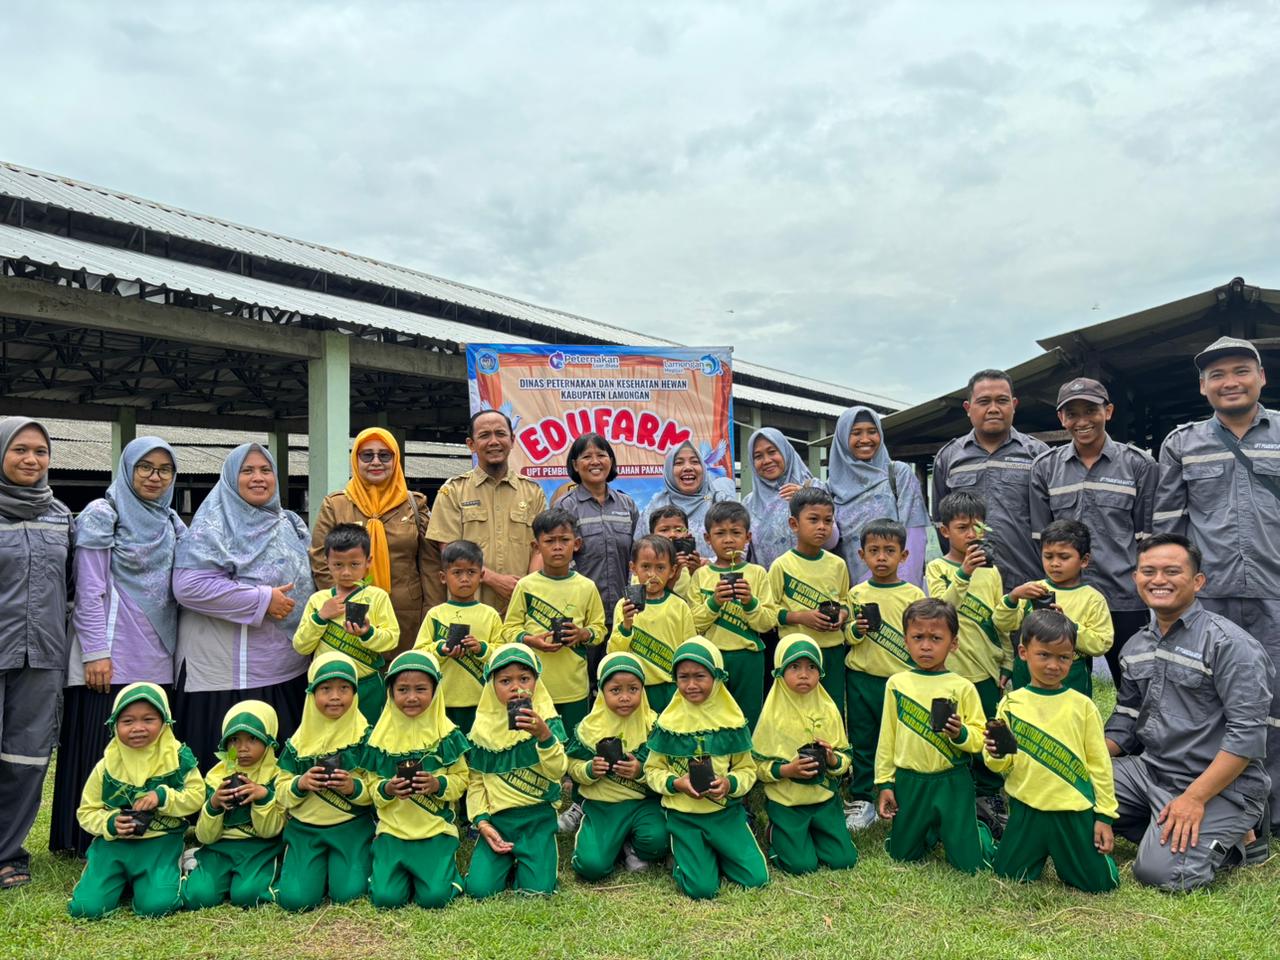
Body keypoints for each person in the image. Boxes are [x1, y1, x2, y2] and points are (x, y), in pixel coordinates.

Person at [1154, 336, 1280, 829]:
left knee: (1273, 700)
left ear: (1261, 377)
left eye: (1241, 371)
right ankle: (1223, 805)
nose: (1231, 382)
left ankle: (1269, 810)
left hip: (1275, 593)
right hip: (1209, 598)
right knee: (1207, 703)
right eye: (1218, 375)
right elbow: (1168, 527)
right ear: (1203, 387)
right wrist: (1171, 597)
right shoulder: (1182, 443)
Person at [1105, 534, 1275, 892]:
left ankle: (1241, 833)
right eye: (1148, 571)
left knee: (1162, 874)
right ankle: (1164, 827)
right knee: (1069, 792)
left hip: (1217, 785)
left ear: (1198, 581)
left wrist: (1195, 798)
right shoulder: (1135, 646)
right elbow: (1126, 720)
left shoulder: (1230, 645)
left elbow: (1247, 736)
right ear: (1135, 578)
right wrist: (1084, 762)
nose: (1159, 580)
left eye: (1172, 571)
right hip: (1151, 772)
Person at [51, 437, 185, 859]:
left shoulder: (171, 522)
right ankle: (83, 837)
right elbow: (89, 590)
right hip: (109, 655)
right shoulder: (101, 514)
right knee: (99, 745)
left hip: (158, 652)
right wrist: (94, 652)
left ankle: (150, 831)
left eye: (164, 469)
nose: (155, 477)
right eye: (145, 467)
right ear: (127, 469)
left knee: (149, 744)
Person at [172, 443, 313, 767]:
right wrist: (263, 599)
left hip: (285, 671)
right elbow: (189, 586)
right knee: (233, 763)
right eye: (247, 471)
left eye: (265, 470)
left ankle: (269, 816)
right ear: (230, 477)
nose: (258, 478)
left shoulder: (289, 523)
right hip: (227, 679)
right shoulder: (211, 528)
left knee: (275, 765)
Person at [1030, 377, 1156, 685]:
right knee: (1057, 681)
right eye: (1072, 413)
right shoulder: (1045, 467)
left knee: (1136, 681)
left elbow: (1148, 537)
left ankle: (1132, 735)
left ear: (1108, 411)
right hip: (1064, 600)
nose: (1082, 421)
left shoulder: (1139, 465)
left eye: (1091, 410)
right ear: (1062, 418)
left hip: (1123, 597)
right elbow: (1040, 536)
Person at [984, 610, 1120, 893]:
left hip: (1072, 810)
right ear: (1023, 652)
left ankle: (1095, 861)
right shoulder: (1011, 704)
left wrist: (1104, 816)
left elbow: (1099, 765)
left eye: (1064, 657)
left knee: (1100, 885)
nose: (1053, 665)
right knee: (1009, 875)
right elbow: (1000, 764)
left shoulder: (1082, 706)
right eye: (1044, 655)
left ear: (1074, 657)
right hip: (1026, 807)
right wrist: (995, 754)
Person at [0, 416, 73, 892]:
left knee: (25, 758)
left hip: (42, 655)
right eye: (20, 450)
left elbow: (71, 589)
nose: (31, 459)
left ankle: (8, 853)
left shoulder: (61, 516)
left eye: (40, 452)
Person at [874, 598, 995, 875]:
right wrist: (885, 783)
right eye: (918, 637)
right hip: (910, 781)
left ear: (953, 643)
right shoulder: (897, 684)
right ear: (906, 640)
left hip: (952, 779)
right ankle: (929, 829)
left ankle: (976, 829)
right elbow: (887, 738)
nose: (926, 646)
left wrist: (960, 733)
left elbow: (979, 739)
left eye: (936, 638)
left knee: (970, 865)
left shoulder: (962, 687)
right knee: (902, 856)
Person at [644, 638, 768, 900]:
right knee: (701, 889)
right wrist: (676, 784)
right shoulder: (668, 721)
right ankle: (683, 856)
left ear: (717, 676)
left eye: (700, 676)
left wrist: (729, 784)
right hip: (684, 816)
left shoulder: (732, 720)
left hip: (725, 813)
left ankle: (712, 853)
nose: (691, 685)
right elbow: (652, 770)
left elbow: (748, 769)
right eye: (683, 677)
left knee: (756, 878)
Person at [66, 683, 203, 918]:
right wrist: (111, 822)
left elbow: (196, 797)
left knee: (158, 906)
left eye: (148, 719)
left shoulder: (178, 758)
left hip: (160, 842)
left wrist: (163, 797)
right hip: (114, 846)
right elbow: (86, 812)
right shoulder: (107, 765)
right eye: (127, 721)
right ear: (114, 725)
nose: (138, 728)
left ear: (165, 722)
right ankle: (121, 878)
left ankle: (175, 865)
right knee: (86, 909)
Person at [925, 491, 1015, 830]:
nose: (971, 534)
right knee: (953, 730)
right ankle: (957, 791)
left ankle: (990, 794)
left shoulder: (991, 573)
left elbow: (998, 621)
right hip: (951, 670)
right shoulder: (937, 568)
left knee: (987, 731)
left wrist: (1006, 662)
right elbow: (937, 613)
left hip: (985, 669)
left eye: (977, 527)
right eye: (963, 527)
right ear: (945, 530)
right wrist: (962, 575)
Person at [310, 427, 441, 655]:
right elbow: (321, 562)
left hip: (406, 614)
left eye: (385, 455)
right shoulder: (336, 505)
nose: (376, 462)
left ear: (396, 459)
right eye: (367, 455)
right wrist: (342, 606)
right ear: (355, 459)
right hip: (349, 616)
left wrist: (433, 614)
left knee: (401, 681)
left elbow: (430, 565)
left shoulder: (414, 505)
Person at [364, 650, 471, 910]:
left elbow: (461, 779)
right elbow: (370, 786)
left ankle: (443, 869)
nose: (411, 698)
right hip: (392, 831)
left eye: (421, 689)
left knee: (436, 898)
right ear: (390, 692)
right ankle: (386, 863)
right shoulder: (378, 737)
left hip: (435, 830)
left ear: (435, 690)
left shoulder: (447, 733)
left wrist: (437, 785)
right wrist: (387, 788)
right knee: (386, 899)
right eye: (402, 689)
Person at [464, 645, 568, 899]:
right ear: (491, 685)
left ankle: (529, 863)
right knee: (479, 891)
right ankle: (504, 863)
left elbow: (558, 770)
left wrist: (544, 737)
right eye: (505, 681)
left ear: (536, 681)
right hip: (499, 822)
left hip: (537, 818)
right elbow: (476, 782)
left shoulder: (547, 720)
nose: (516, 687)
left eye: (524, 678)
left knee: (537, 893)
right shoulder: (482, 728)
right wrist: (483, 821)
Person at [273, 652, 374, 911]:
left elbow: (377, 789)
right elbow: (281, 792)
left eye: (344, 688)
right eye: (325, 689)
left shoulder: (366, 737)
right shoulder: (297, 743)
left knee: (348, 894)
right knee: (295, 900)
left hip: (350, 826)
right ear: (311, 694)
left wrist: (353, 788)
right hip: (305, 829)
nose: (335, 697)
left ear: (355, 692)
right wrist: (301, 783)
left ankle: (346, 864)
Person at [932, 370, 1049, 590]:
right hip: (969, 585)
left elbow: (1051, 520)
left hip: (1027, 580)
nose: (993, 409)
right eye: (984, 401)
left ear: (1014, 405)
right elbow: (941, 523)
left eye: (1002, 401)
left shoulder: (1038, 455)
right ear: (968, 408)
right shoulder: (948, 457)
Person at [844, 519, 925, 832]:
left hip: (901, 680)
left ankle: (897, 793)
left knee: (899, 740)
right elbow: (846, 637)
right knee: (863, 739)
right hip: (862, 678)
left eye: (889, 551)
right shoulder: (857, 593)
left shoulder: (914, 594)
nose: (881, 557)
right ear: (862, 555)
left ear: (903, 556)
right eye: (874, 551)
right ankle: (863, 797)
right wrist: (855, 630)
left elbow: (922, 635)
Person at [754, 636, 858, 875]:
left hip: (824, 800)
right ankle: (776, 831)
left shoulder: (828, 708)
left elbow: (845, 758)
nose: (804, 674)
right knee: (801, 865)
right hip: (787, 802)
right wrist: (787, 770)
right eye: (795, 667)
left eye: (811, 667)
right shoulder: (773, 715)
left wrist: (832, 759)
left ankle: (816, 833)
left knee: (843, 859)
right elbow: (757, 765)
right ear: (780, 671)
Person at [427, 410, 546, 614]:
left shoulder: (532, 492)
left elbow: (540, 547)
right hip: (470, 606)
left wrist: (525, 589)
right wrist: (493, 579)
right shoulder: (453, 491)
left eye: (500, 434)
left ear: (512, 440)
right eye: (484, 435)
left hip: (520, 606)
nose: (493, 441)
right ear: (471, 444)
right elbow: (449, 550)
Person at [566, 652, 669, 879]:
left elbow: (666, 768)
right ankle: (608, 841)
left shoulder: (654, 725)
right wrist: (589, 770)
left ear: (643, 689)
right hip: (603, 805)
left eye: (633, 689)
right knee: (591, 867)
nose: (625, 697)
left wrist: (640, 772)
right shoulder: (589, 727)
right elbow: (571, 764)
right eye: (615, 690)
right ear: (602, 692)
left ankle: (631, 846)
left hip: (643, 803)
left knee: (659, 842)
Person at [293, 523, 400, 726]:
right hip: (326, 686)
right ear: (327, 562)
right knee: (328, 742)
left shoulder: (377, 597)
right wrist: (321, 617)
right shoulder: (319, 600)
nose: (346, 572)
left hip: (366, 684)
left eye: (354, 564)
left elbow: (391, 640)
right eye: (338, 565)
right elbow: (301, 645)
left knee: (367, 740)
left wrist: (368, 634)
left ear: (368, 562)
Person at [182, 700, 285, 910]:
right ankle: (195, 863)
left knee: (249, 895)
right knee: (198, 897)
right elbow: (205, 836)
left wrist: (262, 796)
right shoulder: (216, 776)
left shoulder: (278, 775)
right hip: (219, 847)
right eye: (234, 740)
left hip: (260, 847)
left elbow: (270, 831)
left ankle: (281, 871)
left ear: (269, 741)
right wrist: (214, 805)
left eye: (253, 739)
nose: (242, 748)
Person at [689, 502, 779, 730]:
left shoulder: (757, 573)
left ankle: (748, 763)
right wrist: (714, 602)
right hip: (711, 657)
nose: (728, 540)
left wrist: (750, 602)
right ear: (707, 538)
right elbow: (692, 624)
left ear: (747, 536)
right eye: (720, 533)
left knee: (748, 716)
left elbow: (768, 622)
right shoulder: (701, 575)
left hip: (749, 657)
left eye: (736, 533)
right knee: (711, 714)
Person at [1000, 519, 1113, 697]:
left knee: (1068, 719)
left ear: (1084, 560)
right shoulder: (1032, 589)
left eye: (1064, 557)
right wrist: (1013, 597)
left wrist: (1069, 626)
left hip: (1072, 673)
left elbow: (1102, 643)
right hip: (1027, 669)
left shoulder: (1092, 598)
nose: (1054, 563)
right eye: (1048, 556)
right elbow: (1003, 624)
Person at [823, 406, 929, 587]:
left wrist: (904, 587)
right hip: (852, 589)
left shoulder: (897, 474)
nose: (865, 439)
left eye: (872, 432)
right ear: (842, 438)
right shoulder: (830, 488)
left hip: (896, 584)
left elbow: (914, 535)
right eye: (856, 433)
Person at [768, 487, 850, 710]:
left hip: (831, 650)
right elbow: (767, 613)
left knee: (830, 707)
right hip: (795, 650)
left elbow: (845, 602)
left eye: (828, 521)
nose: (822, 527)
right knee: (794, 708)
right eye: (813, 520)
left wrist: (842, 615)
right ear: (794, 524)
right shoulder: (781, 565)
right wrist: (800, 617)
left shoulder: (838, 565)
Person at [552, 432, 639, 631]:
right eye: (586, 457)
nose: (595, 462)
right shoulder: (565, 507)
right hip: (581, 614)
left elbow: (637, 557)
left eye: (601, 455)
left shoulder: (628, 505)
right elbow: (559, 559)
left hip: (623, 612)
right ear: (575, 465)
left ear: (611, 460)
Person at [417, 539, 503, 734]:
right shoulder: (435, 614)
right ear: (443, 577)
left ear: (481, 576)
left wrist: (481, 648)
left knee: (477, 750)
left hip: (482, 698)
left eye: (471, 572)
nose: (464, 578)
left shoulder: (490, 615)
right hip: (442, 697)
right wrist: (440, 649)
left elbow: (502, 653)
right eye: (457, 573)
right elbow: (419, 653)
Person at [608, 534, 696, 712]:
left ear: (672, 571)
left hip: (671, 687)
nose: (652, 575)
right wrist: (626, 625)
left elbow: (689, 649)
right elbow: (614, 653)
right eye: (646, 567)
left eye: (660, 568)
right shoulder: (624, 605)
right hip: (636, 688)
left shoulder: (679, 606)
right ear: (633, 568)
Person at [635, 441, 738, 560]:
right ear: (669, 470)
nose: (688, 467)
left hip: (716, 577)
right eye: (679, 463)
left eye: (695, 461)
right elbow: (638, 556)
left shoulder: (718, 501)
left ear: (703, 468)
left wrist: (710, 565)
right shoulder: (654, 508)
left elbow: (742, 548)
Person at [743, 427, 817, 570]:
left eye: (772, 452)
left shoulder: (814, 489)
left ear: (785, 452)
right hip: (768, 588)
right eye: (758, 456)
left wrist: (808, 498)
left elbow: (831, 539)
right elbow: (742, 549)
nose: (766, 460)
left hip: (811, 585)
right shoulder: (748, 504)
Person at [649, 506, 703, 606]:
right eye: (664, 530)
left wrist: (696, 573)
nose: (672, 534)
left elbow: (700, 599)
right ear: (652, 535)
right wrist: (671, 577)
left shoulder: (694, 563)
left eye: (679, 530)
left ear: (687, 534)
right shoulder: (645, 566)